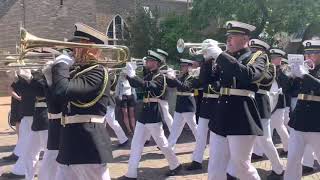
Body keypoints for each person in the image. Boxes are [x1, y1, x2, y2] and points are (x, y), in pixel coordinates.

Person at [207, 20, 267, 180]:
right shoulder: (226, 58)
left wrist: (220, 55)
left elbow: (249, 75)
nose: (228, 40)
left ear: (245, 38)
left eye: (232, 36)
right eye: (227, 37)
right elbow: (205, 82)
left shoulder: (258, 56)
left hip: (242, 115)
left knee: (242, 166)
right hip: (221, 114)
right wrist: (207, 60)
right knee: (215, 166)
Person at [52, 23, 113, 180]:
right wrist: (48, 78)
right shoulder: (78, 72)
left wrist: (61, 65)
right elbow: (55, 104)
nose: (73, 49)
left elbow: (62, 91)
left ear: (91, 48)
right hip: (69, 145)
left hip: (88, 146)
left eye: (77, 45)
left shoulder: (98, 72)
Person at [120, 50, 181, 180]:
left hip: (153, 112)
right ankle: (131, 173)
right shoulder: (149, 75)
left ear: (156, 63)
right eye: (147, 60)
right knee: (136, 144)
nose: (146, 62)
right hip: (144, 113)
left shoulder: (160, 77)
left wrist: (134, 76)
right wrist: (130, 76)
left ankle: (175, 165)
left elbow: (150, 87)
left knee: (163, 143)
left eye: (149, 61)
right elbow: (138, 85)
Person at [284, 39, 320, 180]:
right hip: (299, 121)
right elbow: (287, 90)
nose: (308, 57)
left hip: (317, 122)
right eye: (306, 53)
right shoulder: (304, 70)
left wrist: (305, 75)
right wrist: (290, 77)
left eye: (312, 53)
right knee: (292, 160)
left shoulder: (307, 73)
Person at [248, 39, 284, 178]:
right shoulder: (247, 64)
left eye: (255, 51)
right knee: (245, 138)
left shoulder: (270, 67)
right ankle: (234, 171)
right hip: (249, 103)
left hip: (261, 104)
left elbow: (262, 80)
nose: (252, 53)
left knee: (265, 140)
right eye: (251, 50)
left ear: (262, 52)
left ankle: (278, 169)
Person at [186, 40, 220, 171]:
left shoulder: (222, 61)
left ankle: (216, 159)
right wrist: (205, 62)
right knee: (201, 134)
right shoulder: (207, 63)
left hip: (217, 102)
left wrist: (206, 85)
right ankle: (196, 160)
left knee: (216, 136)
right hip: (206, 103)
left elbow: (219, 82)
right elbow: (203, 80)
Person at [1, 70, 36, 179]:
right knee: (28, 144)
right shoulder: (25, 78)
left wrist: (31, 79)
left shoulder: (39, 77)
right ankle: (20, 168)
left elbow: (41, 91)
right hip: (29, 114)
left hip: (39, 115)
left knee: (49, 151)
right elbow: (22, 91)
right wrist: (17, 80)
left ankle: (20, 169)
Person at [167, 59, 198, 149]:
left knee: (194, 127)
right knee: (175, 128)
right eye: (182, 66)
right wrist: (168, 78)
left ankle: (201, 143)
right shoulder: (181, 76)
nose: (182, 68)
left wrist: (174, 78)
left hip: (188, 105)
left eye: (184, 66)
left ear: (190, 67)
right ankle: (169, 146)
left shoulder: (193, 77)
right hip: (180, 105)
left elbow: (185, 87)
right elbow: (172, 85)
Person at [269, 48, 290, 156]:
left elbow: (286, 87)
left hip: (280, 103)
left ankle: (288, 148)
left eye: (274, 58)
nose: (272, 59)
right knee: (271, 127)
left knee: (280, 126)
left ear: (280, 59)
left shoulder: (283, 71)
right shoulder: (269, 69)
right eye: (271, 57)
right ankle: (262, 151)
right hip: (270, 102)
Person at [107, 71, 128, 147]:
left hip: (108, 103)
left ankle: (123, 139)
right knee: (101, 124)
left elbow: (109, 88)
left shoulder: (111, 75)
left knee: (112, 122)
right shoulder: (107, 74)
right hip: (103, 103)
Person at [115, 70, 136, 136]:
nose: (125, 75)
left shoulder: (130, 79)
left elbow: (133, 89)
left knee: (132, 114)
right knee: (125, 114)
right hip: (123, 97)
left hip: (130, 96)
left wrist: (134, 97)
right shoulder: (120, 79)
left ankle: (134, 129)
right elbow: (117, 89)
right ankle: (129, 130)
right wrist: (118, 96)